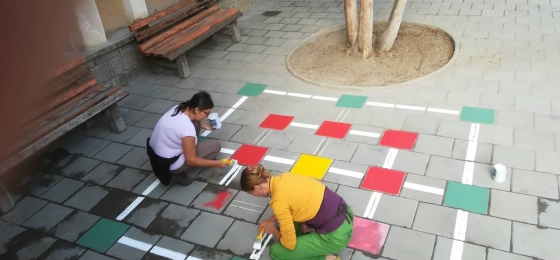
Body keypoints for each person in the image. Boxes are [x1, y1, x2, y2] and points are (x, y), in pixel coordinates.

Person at [240, 164, 353, 260]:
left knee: (276, 251)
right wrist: (271, 220)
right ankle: (306, 244)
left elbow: (289, 245)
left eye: (251, 193)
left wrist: (273, 229)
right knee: (292, 223)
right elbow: (290, 203)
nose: (254, 195)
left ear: (257, 188)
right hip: (345, 214)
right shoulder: (284, 176)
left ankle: (328, 258)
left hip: (335, 238)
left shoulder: (278, 202)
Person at [147, 91, 228, 186]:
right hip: (168, 165)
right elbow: (191, 160)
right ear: (197, 110)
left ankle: (190, 152)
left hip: (156, 156)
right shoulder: (187, 130)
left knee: (196, 121)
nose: (207, 116)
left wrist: (205, 125)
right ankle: (176, 173)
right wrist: (216, 164)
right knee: (215, 146)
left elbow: (193, 121)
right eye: (206, 113)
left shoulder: (179, 108)